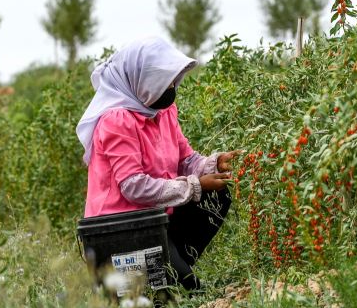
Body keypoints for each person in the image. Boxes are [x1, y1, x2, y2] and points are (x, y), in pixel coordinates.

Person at [76, 37, 238, 290]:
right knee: (188, 291)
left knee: (216, 196)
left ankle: (170, 269)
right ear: (140, 80)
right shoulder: (117, 121)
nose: (172, 87)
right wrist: (195, 185)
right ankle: (164, 277)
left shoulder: (162, 112)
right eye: (165, 81)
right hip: (119, 229)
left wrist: (214, 164)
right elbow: (134, 187)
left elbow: (186, 160)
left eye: (173, 80)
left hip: (155, 218)